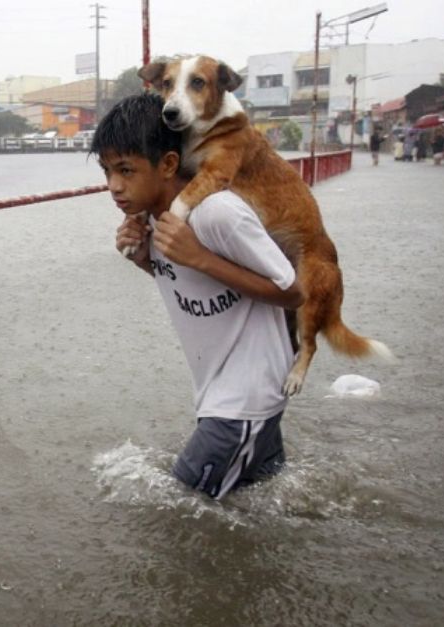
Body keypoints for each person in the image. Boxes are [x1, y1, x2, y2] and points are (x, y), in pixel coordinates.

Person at [95, 93, 305, 498]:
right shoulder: (154, 221)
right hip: (226, 396)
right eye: (107, 171)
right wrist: (143, 259)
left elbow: (292, 291)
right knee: (264, 507)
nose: (114, 186)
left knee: (182, 513)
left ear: (169, 164)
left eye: (125, 170)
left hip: (242, 401)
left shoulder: (216, 212)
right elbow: (189, 283)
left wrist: (201, 257)